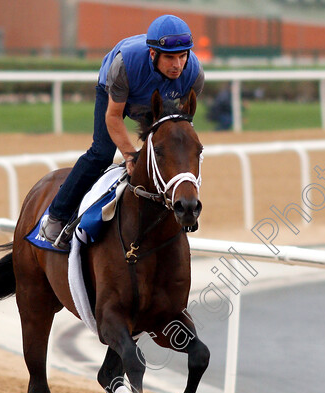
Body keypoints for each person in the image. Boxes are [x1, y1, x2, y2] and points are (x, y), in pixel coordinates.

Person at [38, 14, 205, 249]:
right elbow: (114, 117)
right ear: (153, 54)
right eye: (169, 57)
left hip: (158, 99)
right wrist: (129, 154)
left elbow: (179, 128)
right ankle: (56, 216)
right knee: (101, 153)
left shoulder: (194, 75)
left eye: (182, 56)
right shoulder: (124, 65)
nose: (177, 65)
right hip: (119, 93)